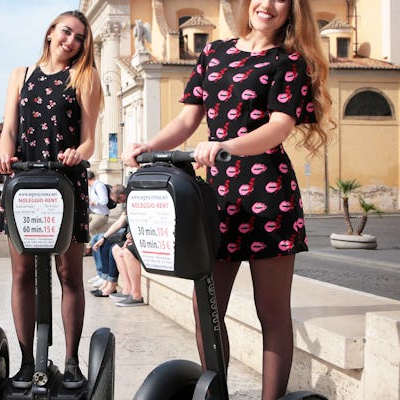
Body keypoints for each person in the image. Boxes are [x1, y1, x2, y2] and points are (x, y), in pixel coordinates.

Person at [123, 1, 333, 397]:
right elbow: (188, 120)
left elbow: (278, 128)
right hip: (216, 198)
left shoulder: (289, 63)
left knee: (271, 312)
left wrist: (227, 146)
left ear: (291, 11)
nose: (267, 5)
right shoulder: (215, 53)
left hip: (269, 196)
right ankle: (215, 393)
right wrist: (147, 146)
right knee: (207, 307)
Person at [0, 10, 102, 390]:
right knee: (21, 274)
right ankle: (26, 363)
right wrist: (5, 154)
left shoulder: (84, 77)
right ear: (51, 32)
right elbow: (9, 129)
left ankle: (71, 364)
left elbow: (90, 139)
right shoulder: (20, 75)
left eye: (79, 38)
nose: (70, 41)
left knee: (69, 275)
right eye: (66, 32)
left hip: (65, 182)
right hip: (23, 182)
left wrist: (78, 153)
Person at [89, 184, 127, 297]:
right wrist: (104, 237)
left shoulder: (132, 200)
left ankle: (111, 284)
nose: (118, 204)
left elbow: (121, 223)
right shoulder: (127, 203)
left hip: (130, 233)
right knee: (101, 240)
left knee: (112, 247)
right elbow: (119, 222)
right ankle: (105, 280)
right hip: (125, 230)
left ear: (122, 195)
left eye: (118, 201)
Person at [86, 170, 110, 242]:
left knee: (90, 228)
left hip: (101, 214)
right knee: (83, 225)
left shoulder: (99, 186)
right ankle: (88, 246)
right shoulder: (92, 187)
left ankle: (97, 244)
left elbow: (104, 201)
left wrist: (93, 203)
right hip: (93, 213)